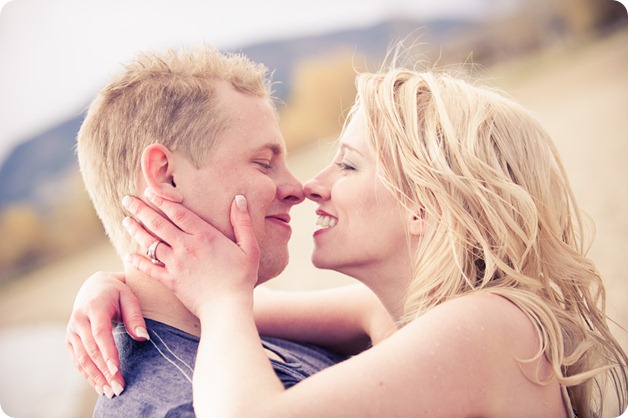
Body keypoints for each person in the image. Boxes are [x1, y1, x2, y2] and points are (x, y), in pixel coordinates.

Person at [70, 61, 628, 416]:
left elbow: (232, 314)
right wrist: (122, 285)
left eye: (349, 167)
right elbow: (267, 306)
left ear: (424, 205)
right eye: (265, 162)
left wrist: (216, 300)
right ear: (164, 177)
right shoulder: (398, 315)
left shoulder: (483, 324)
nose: (306, 188)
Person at [68, 45, 373, 416]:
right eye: (263, 163)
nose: (298, 188)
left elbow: (378, 313)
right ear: (167, 176)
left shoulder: (236, 320)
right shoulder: (180, 405)